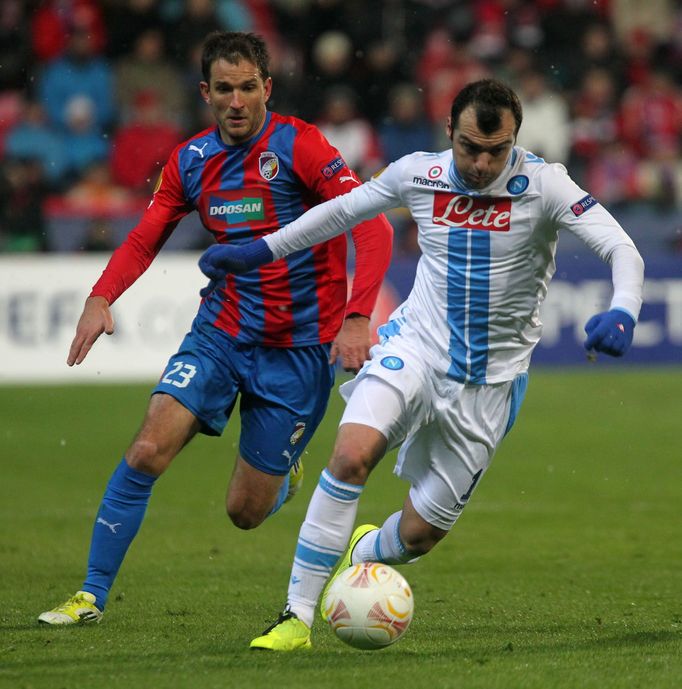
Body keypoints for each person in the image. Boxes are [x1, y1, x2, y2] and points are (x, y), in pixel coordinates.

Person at [196, 78, 644, 651]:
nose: (481, 164)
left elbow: (621, 248)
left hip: (490, 384)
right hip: (417, 347)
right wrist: (259, 250)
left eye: (496, 150)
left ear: (515, 142)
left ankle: (360, 552)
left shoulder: (545, 185)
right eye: (469, 148)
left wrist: (624, 310)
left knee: (419, 535)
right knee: (353, 454)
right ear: (449, 133)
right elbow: (341, 212)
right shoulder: (417, 173)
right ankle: (295, 616)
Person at [38, 31, 393, 626]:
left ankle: (284, 476)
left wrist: (357, 318)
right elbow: (145, 236)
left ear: (266, 88)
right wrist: (101, 296)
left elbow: (373, 229)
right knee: (148, 447)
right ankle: (92, 595)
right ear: (205, 92)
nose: (236, 101)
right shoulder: (190, 161)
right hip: (222, 331)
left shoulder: (302, 147)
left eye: (248, 87)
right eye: (224, 89)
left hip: (299, 350)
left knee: (246, 513)